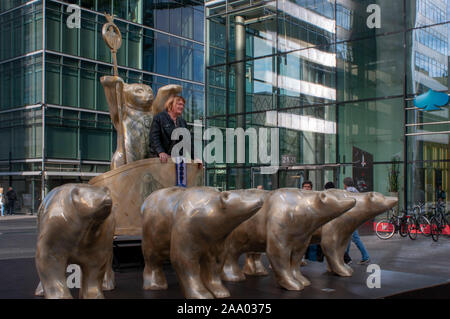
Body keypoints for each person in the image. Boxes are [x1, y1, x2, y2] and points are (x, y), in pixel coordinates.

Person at [149, 95, 193, 163]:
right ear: (171, 104)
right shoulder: (159, 118)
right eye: (179, 104)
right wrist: (161, 152)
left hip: (177, 160)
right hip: (160, 159)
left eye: (183, 105)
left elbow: (188, 142)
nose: (182, 107)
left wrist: (196, 158)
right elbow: (154, 138)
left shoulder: (182, 122)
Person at [343, 177, 370, 265]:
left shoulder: (347, 192)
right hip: (355, 218)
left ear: (345, 184)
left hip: (350, 218)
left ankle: (365, 256)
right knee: (347, 237)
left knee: (355, 238)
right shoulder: (356, 191)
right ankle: (345, 257)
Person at [324, 181, 351, 264]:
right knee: (343, 240)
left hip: (332, 222)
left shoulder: (328, 196)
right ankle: (345, 257)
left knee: (334, 242)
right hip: (340, 221)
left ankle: (345, 258)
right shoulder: (339, 195)